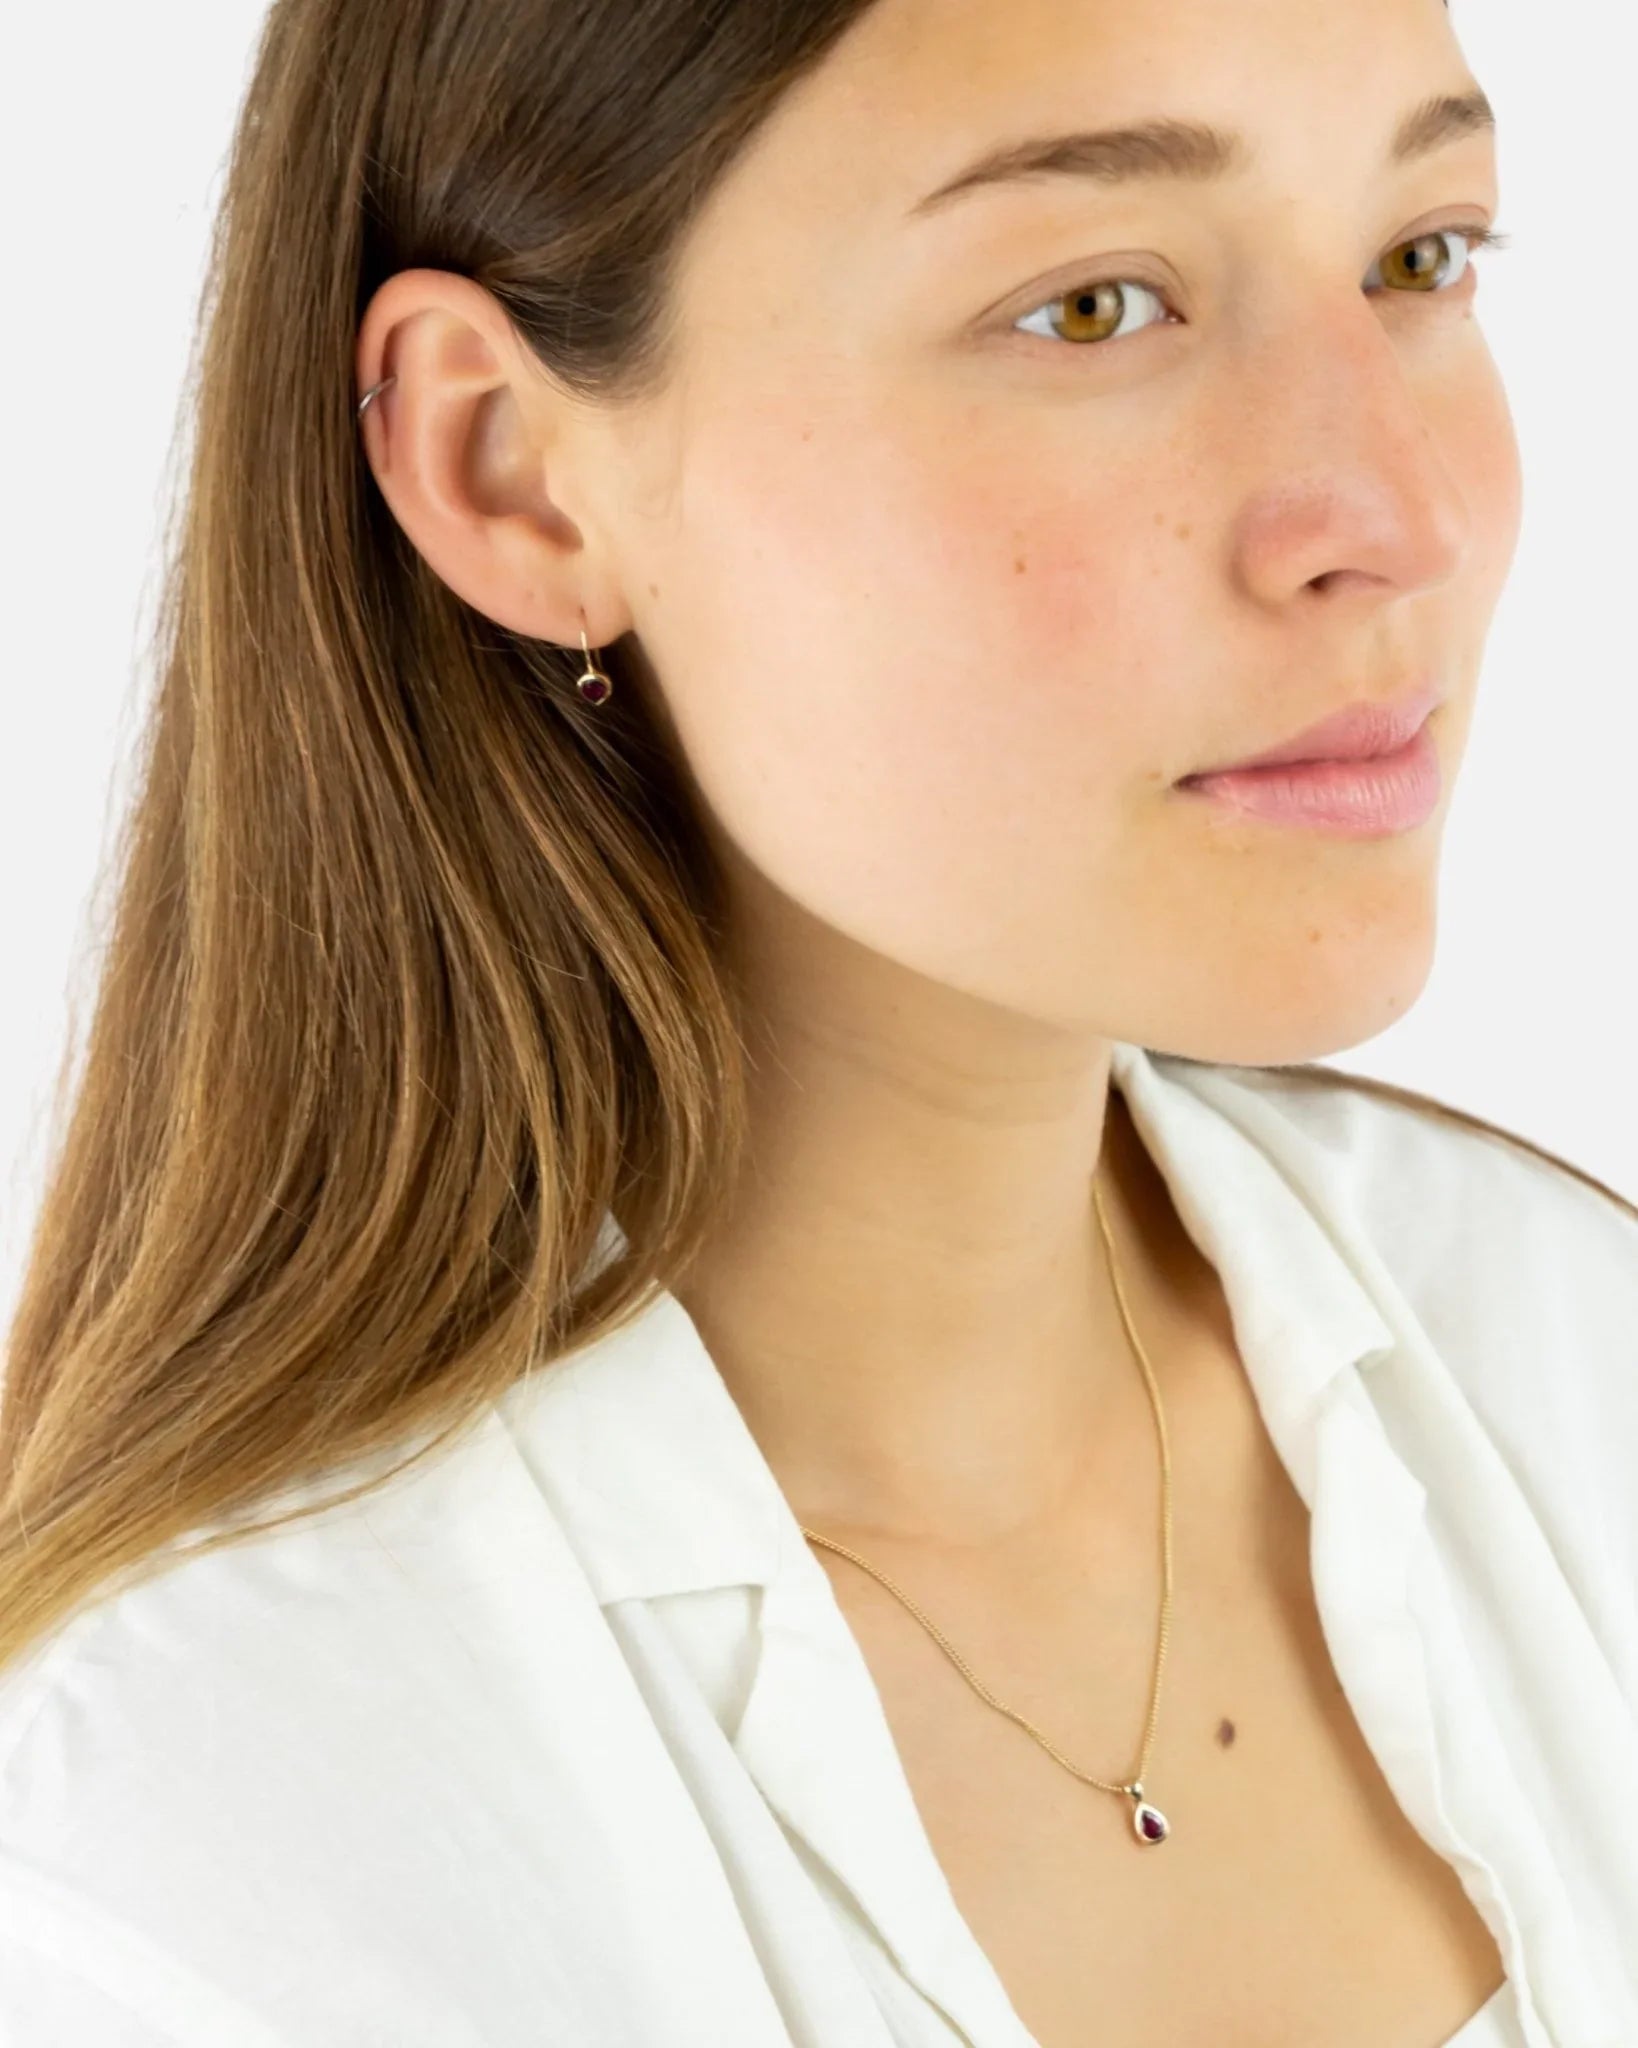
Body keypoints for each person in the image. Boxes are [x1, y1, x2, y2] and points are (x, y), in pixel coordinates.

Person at [1, 0, 1633, 2040]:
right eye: (1098, 304)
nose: (1401, 518)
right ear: (509, 472)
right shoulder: (207, 1863)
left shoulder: (1579, 1359)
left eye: (1421, 258)